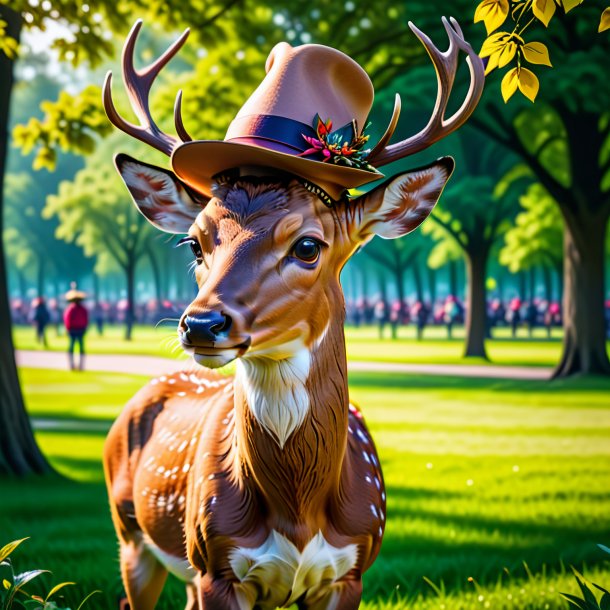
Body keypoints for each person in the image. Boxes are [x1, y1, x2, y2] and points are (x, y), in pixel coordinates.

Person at [64, 285, 89, 371]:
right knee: (72, 346)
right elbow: (67, 319)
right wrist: (68, 328)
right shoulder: (71, 309)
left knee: (81, 347)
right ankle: (71, 364)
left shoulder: (82, 309)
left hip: (80, 329)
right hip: (73, 330)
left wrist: (85, 327)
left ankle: (81, 365)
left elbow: (86, 319)